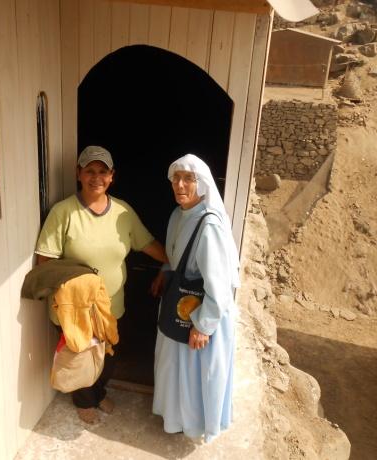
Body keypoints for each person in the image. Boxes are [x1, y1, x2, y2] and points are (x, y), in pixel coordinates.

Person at [35, 145, 168, 424]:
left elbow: (147, 244)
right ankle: (84, 400)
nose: (96, 177)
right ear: (78, 174)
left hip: (110, 306)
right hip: (75, 308)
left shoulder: (123, 212)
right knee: (81, 356)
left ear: (112, 177)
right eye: (90, 171)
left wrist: (175, 262)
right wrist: (73, 285)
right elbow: (44, 260)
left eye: (103, 172)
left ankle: (98, 391)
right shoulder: (64, 212)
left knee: (108, 356)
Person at [152, 153, 240, 443]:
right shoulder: (179, 214)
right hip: (181, 303)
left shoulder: (209, 225)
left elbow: (220, 284)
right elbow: (175, 252)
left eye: (188, 178)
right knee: (175, 367)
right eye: (176, 178)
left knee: (194, 374)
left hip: (202, 312)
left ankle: (193, 425)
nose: (180, 184)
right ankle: (175, 419)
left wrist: (204, 325)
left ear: (201, 183)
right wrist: (165, 272)